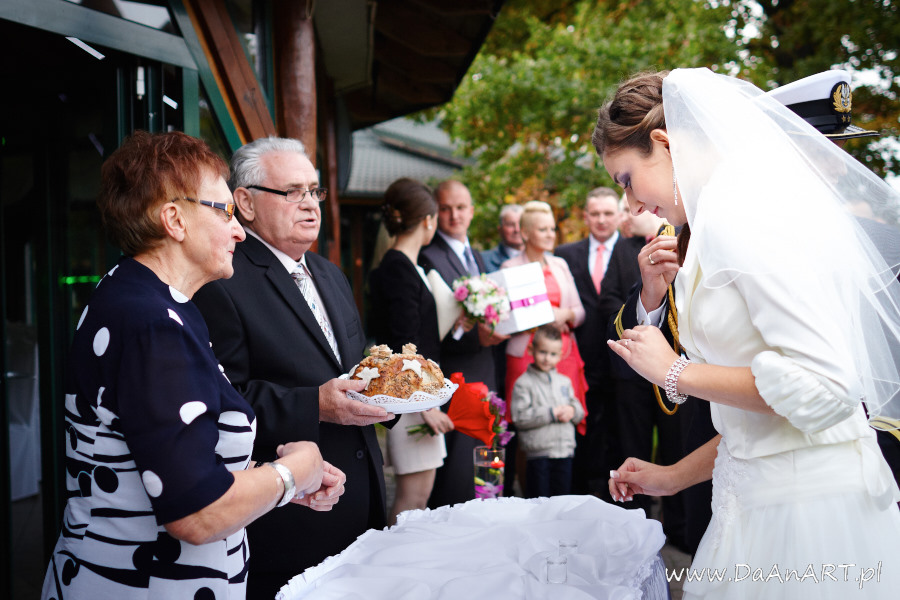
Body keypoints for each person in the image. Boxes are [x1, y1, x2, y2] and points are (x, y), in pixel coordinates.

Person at [597, 68, 900, 599]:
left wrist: (674, 370)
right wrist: (669, 478)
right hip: (756, 501)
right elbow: (761, 426)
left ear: (664, 143)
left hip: (807, 522)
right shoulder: (719, 215)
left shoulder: (745, 214)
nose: (631, 205)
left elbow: (824, 389)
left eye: (626, 180)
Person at [41, 131, 345, 600]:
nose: (240, 230)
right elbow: (197, 513)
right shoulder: (151, 323)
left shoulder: (139, 298)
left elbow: (173, 457)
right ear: (174, 220)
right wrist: (292, 474)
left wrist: (270, 481)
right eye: (224, 211)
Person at [193, 137, 394, 600]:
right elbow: (224, 398)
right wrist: (315, 405)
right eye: (292, 192)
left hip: (361, 503)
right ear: (243, 201)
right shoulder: (223, 280)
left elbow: (352, 369)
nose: (310, 205)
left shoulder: (330, 273)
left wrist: (392, 394)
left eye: (315, 191)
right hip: (292, 516)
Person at [368, 178, 455, 523]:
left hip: (417, 397)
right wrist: (426, 407)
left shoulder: (404, 266)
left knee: (418, 499)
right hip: (411, 400)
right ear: (428, 220)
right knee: (411, 500)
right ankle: (392, 573)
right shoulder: (398, 269)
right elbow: (404, 344)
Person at [419, 179, 508, 507]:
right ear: (435, 213)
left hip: (488, 369)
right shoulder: (428, 257)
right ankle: (461, 536)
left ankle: (491, 514)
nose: (454, 215)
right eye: (445, 209)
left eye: (460, 208)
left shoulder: (479, 258)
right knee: (460, 473)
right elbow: (429, 331)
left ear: (471, 212)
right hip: (457, 375)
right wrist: (471, 334)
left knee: (490, 460)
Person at [555, 187, 643, 496]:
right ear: (585, 216)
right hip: (582, 357)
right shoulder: (565, 254)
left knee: (624, 431)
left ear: (620, 216)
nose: (602, 220)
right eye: (595, 214)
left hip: (627, 360)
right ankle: (584, 492)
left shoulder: (636, 249)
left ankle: (624, 491)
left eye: (608, 213)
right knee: (586, 429)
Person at [502, 201, 589, 443]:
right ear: (526, 233)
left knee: (565, 415)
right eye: (543, 229)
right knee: (526, 423)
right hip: (525, 353)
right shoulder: (509, 267)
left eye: (552, 229)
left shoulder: (559, 264)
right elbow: (506, 318)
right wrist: (543, 315)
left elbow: (579, 311)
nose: (551, 234)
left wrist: (565, 315)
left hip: (563, 352)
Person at [511, 325, 586, 498]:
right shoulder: (524, 383)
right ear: (532, 350)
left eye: (553, 354)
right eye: (542, 352)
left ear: (560, 355)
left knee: (562, 500)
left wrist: (572, 411)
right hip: (539, 454)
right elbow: (519, 417)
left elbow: (579, 411)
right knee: (540, 502)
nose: (547, 358)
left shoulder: (564, 382)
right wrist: (551, 413)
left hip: (564, 452)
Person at [481, 203, 524, 273]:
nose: (517, 229)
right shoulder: (483, 260)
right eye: (510, 225)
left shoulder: (545, 257)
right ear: (500, 230)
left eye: (521, 224)